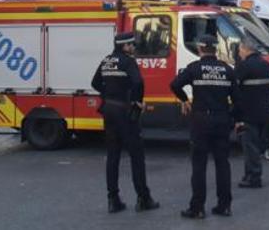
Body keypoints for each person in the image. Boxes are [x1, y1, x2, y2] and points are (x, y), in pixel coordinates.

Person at [90, 31, 159, 214]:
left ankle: (113, 199)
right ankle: (143, 198)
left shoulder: (107, 60)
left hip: (109, 110)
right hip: (124, 111)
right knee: (137, 155)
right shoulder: (128, 61)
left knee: (113, 155)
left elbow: (95, 83)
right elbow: (138, 82)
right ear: (125, 46)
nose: (134, 48)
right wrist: (136, 100)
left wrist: (108, 94)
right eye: (132, 45)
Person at [170, 34, 237, 219]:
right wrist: (232, 117)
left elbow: (174, 84)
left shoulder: (194, 68)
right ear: (215, 49)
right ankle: (224, 206)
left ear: (200, 49)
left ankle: (197, 207)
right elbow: (237, 98)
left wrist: (185, 100)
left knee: (199, 165)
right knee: (222, 163)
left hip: (201, 120)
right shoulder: (227, 69)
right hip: (222, 119)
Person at [234, 41, 269, 189]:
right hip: (263, 112)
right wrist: (267, 104)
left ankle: (254, 177)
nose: (239, 53)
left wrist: (236, 113)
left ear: (246, 50)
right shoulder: (266, 65)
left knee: (249, 145)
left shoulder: (243, 67)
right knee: (255, 144)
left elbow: (235, 91)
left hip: (248, 112)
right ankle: (249, 174)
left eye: (239, 50)